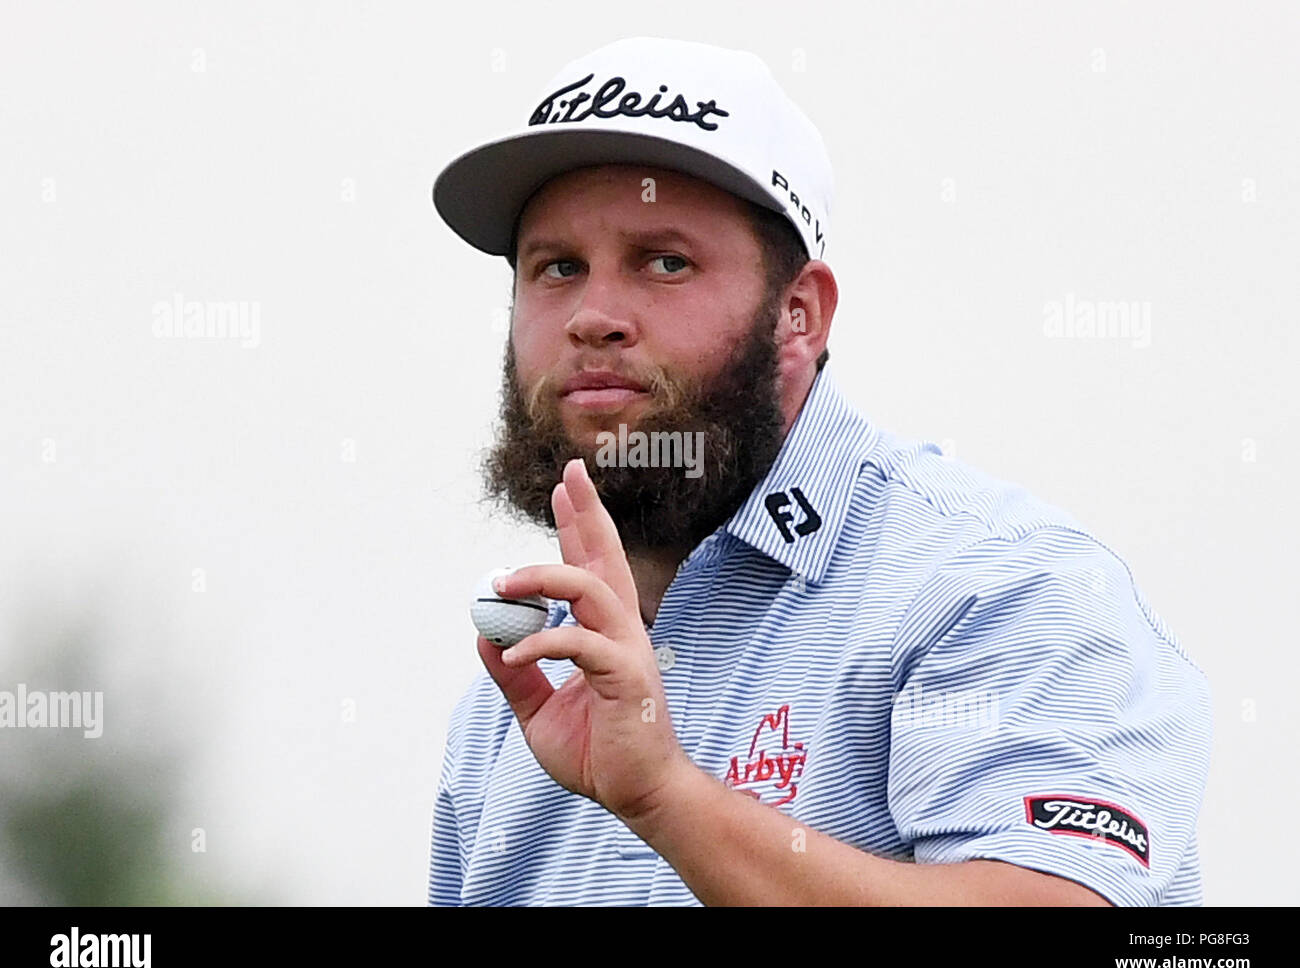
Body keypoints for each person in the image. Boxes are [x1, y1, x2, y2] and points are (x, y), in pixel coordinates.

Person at [426, 35, 1212, 906]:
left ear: (799, 315)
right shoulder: (514, 701)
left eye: (665, 261)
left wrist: (667, 799)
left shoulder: (1001, 587)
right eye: (558, 267)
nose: (594, 315)